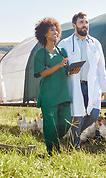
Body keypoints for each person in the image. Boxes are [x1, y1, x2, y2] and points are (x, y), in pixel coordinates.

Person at [59, 12, 106, 150]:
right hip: (75, 84)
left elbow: (101, 67)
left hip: (92, 85)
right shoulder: (65, 44)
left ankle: (73, 135)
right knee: (78, 115)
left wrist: (104, 88)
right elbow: (59, 66)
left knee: (94, 114)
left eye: (86, 22)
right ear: (74, 25)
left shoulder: (95, 44)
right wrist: (68, 70)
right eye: (81, 22)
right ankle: (74, 147)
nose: (85, 25)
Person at [33, 17, 72, 155]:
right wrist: (59, 65)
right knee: (51, 126)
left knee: (66, 122)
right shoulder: (40, 54)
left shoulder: (62, 52)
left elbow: (65, 70)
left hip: (62, 93)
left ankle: (54, 141)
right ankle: (53, 152)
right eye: (52, 30)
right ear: (45, 34)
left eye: (56, 30)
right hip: (49, 95)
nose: (55, 32)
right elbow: (43, 73)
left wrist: (71, 70)